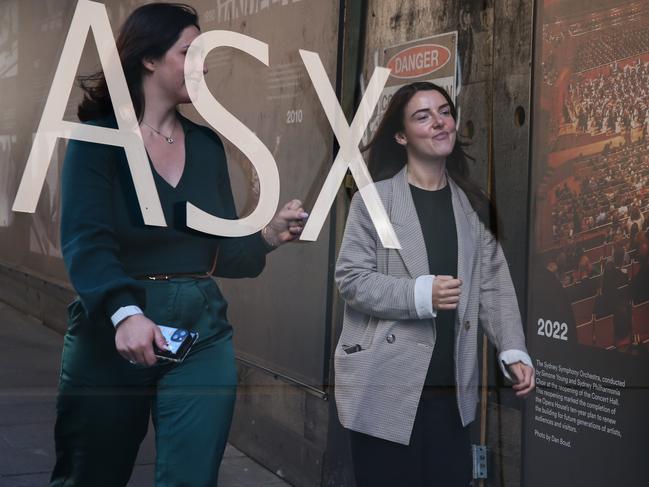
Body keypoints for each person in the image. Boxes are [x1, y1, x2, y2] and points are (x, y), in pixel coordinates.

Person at [50, 4, 307, 486]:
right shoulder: (97, 140)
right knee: (90, 475)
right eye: (190, 52)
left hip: (200, 331)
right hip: (113, 328)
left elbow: (221, 252)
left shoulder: (208, 146)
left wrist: (268, 235)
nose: (204, 65)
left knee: (191, 478)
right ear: (149, 59)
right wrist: (123, 313)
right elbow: (86, 242)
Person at [334, 82, 534, 487]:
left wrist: (512, 347)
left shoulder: (471, 204)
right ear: (401, 135)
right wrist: (419, 294)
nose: (439, 122)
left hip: (452, 390)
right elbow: (351, 280)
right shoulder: (375, 201)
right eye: (423, 116)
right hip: (386, 384)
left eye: (444, 112)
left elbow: (493, 284)